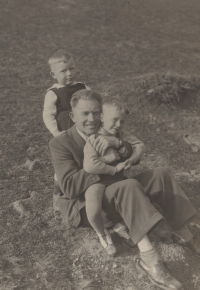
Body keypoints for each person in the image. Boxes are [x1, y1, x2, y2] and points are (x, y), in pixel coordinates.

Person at [49, 89, 200, 290]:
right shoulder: (60, 143)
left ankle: (184, 235)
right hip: (87, 204)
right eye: (84, 114)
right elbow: (69, 187)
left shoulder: (105, 130)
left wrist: (119, 144)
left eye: (96, 112)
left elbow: (130, 147)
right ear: (72, 116)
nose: (91, 119)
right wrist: (103, 162)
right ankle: (149, 259)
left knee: (161, 174)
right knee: (128, 185)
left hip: (120, 193)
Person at [83, 97, 145, 256]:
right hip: (97, 180)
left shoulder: (122, 135)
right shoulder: (94, 138)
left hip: (118, 179)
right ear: (102, 118)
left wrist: (132, 159)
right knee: (93, 209)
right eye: (114, 120)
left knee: (135, 195)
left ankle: (122, 225)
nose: (118, 125)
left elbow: (139, 145)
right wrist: (113, 168)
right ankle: (101, 233)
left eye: (122, 121)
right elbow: (89, 165)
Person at [43, 49, 90, 136]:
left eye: (71, 69)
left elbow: (96, 104)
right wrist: (56, 132)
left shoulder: (83, 87)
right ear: (53, 75)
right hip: (67, 133)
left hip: (87, 128)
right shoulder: (53, 93)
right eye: (63, 71)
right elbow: (48, 115)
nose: (69, 73)